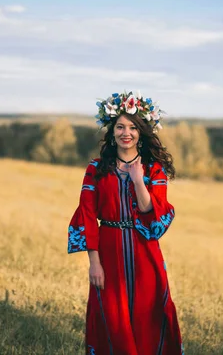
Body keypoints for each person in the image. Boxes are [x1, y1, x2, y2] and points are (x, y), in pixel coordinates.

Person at [67, 91, 184, 355]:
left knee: (148, 319)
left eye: (132, 127)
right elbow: (86, 214)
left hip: (145, 254)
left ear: (142, 132)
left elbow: (151, 213)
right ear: (112, 131)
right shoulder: (95, 168)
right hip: (108, 253)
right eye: (120, 126)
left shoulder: (154, 170)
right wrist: (94, 263)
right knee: (112, 320)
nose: (126, 133)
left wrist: (137, 179)